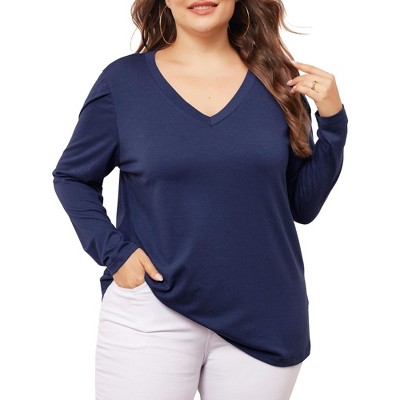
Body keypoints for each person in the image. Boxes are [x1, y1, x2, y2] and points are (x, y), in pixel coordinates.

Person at [52, 0, 348, 399]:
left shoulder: (277, 81)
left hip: (266, 316)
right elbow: (73, 177)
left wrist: (333, 122)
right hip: (153, 310)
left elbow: (302, 205)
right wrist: (115, 253)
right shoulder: (124, 82)